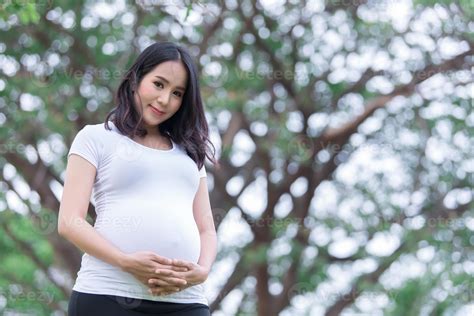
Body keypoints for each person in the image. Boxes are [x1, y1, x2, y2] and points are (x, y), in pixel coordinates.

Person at [58, 41, 218, 315]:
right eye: (158, 84)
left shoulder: (190, 153)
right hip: (107, 295)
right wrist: (126, 261)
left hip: (185, 301)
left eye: (177, 93)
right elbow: (69, 222)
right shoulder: (96, 138)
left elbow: (206, 229)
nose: (165, 100)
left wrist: (202, 272)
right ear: (135, 78)